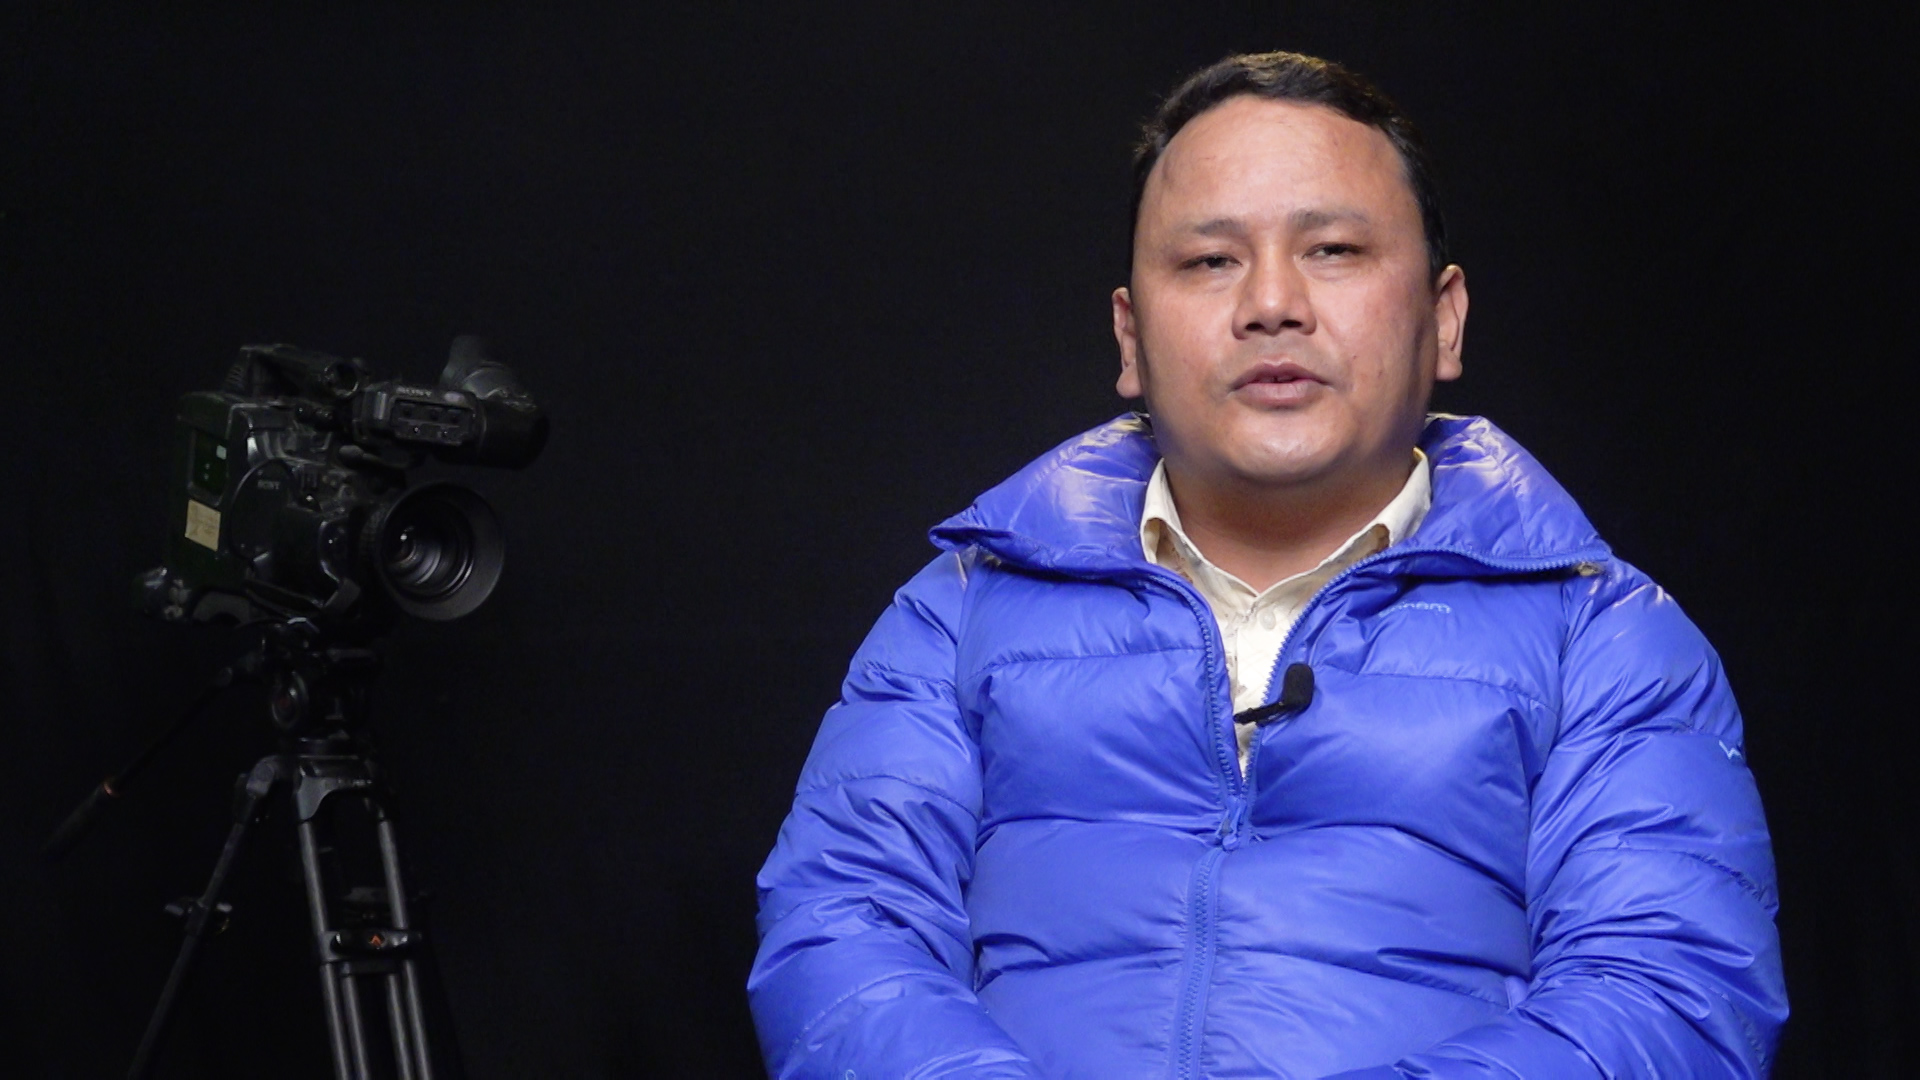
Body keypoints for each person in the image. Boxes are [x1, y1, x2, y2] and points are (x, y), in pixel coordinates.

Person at [748, 51, 1788, 1079]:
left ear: (1444, 319)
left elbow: (1669, 994)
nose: (1272, 303)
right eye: (1211, 262)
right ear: (1129, 338)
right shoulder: (958, 611)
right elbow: (844, 928)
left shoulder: (1604, 638)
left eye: (1332, 249)